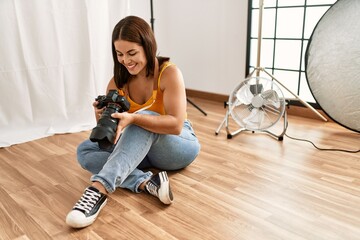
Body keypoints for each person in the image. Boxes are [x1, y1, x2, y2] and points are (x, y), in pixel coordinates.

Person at [65, 15, 201, 228]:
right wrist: (101, 115)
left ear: (147, 46)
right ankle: (147, 182)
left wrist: (134, 118)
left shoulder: (168, 73)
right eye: (119, 54)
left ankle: (98, 190)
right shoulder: (117, 82)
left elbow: (175, 125)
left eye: (132, 53)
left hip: (178, 146)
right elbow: (110, 136)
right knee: (85, 151)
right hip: (140, 150)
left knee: (142, 120)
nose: (126, 60)